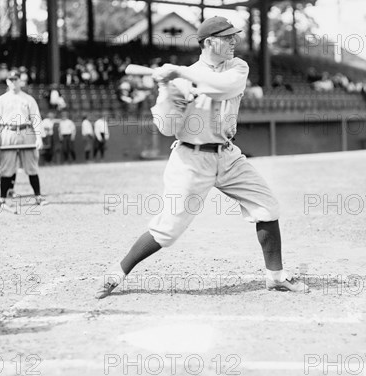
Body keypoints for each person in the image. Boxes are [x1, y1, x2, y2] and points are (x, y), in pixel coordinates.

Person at [96, 16, 308, 299]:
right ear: (209, 42)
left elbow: (225, 87)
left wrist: (183, 75)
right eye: (228, 37)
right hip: (191, 160)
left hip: (228, 155)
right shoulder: (180, 79)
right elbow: (167, 127)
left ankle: (276, 277)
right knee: (167, 230)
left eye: (235, 36)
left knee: (266, 207)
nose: (234, 41)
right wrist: (167, 92)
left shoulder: (235, 66)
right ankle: (115, 274)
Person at [0, 70, 45, 211]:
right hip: (8, 132)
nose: (13, 82)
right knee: (6, 167)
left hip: (26, 131)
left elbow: (36, 118)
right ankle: (4, 199)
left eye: (15, 79)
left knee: (31, 166)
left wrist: (39, 137)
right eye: (10, 80)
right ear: (7, 81)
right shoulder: (2, 99)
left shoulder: (28, 99)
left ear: (20, 81)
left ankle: (38, 196)